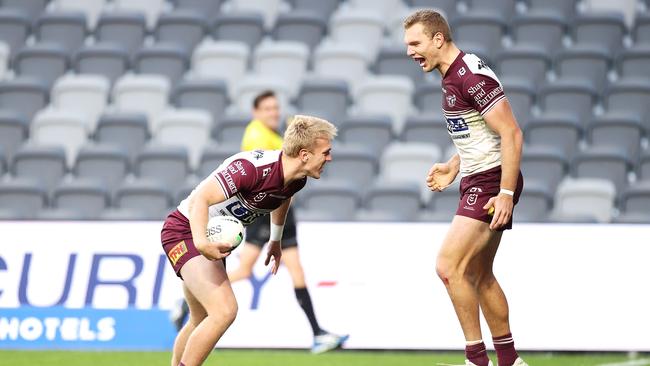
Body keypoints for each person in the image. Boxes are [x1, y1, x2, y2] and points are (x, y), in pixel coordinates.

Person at [161, 115, 337, 366]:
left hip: (206, 237)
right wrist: (201, 244)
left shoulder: (297, 179)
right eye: (326, 152)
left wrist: (275, 241)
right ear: (305, 154)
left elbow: (281, 198)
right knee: (224, 311)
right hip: (185, 230)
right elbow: (201, 199)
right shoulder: (251, 168)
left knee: (200, 319)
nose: (329, 158)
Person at [403, 10, 527, 366]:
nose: (411, 52)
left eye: (416, 43)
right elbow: (480, 133)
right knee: (479, 274)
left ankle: (476, 359)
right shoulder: (452, 74)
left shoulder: (469, 77)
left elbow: (511, 133)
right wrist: (454, 165)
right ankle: (509, 360)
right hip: (478, 176)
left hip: (491, 180)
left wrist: (504, 193)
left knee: (447, 266)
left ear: (438, 39)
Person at [228, 90, 349, 354]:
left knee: (297, 270)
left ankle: (318, 333)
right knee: (246, 270)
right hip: (266, 208)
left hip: (283, 205)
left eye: (275, 108)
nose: (274, 112)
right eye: (268, 109)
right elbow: (269, 175)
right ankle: (192, 297)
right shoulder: (257, 135)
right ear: (256, 113)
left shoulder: (272, 134)